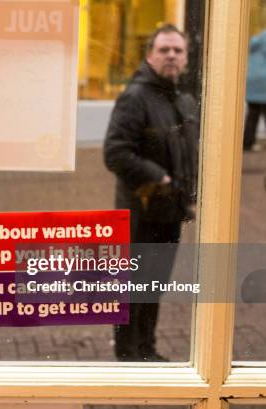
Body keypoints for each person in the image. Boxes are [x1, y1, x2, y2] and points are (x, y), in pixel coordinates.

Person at [104, 24, 199, 361]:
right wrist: (158, 176)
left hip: (170, 213)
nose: (171, 55)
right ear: (150, 56)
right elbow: (115, 152)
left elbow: (188, 151)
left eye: (178, 50)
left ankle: (147, 349)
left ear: (186, 58)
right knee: (133, 287)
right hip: (139, 213)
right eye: (164, 50)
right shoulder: (135, 97)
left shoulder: (184, 100)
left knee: (154, 286)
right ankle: (129, 355)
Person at [244, 30, 266, 152]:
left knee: (252, 114)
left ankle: (248, 142)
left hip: (252, 81)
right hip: (264, 81)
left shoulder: (256, 39)